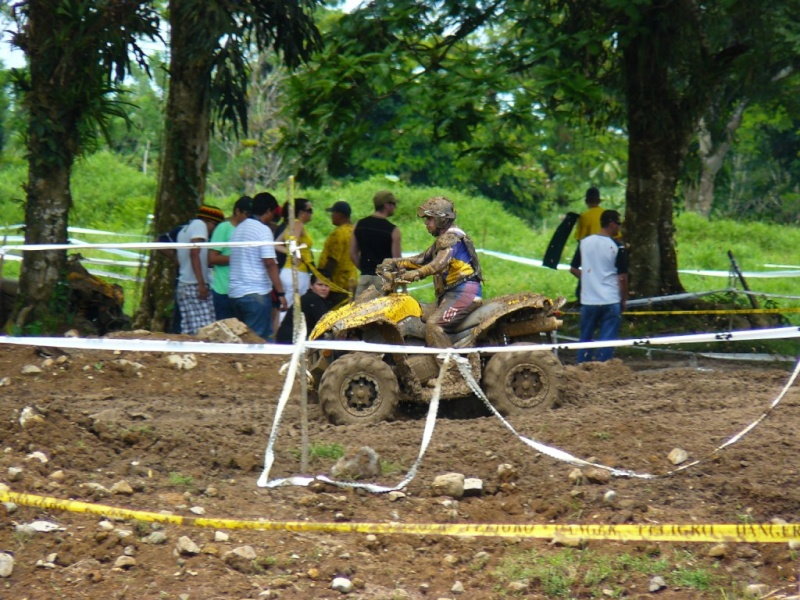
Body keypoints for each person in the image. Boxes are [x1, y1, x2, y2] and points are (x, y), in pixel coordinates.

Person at [383, 196, 482, 348]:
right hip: (449, 295)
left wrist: (416, 274)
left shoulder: (452, 238)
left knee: (434, 325)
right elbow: (421, 260)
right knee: (417, 313)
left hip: (464, 293)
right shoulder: (443, 240)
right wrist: (394, 263)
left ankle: (452, 369)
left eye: (429, 219)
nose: (426, 223)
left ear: (441, 220)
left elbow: (437, 265)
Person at [569, 209, 628, 363]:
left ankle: (582, 368)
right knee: (607, 342)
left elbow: (573, 268)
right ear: (611, 223)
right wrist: (624, 299)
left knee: (585, 339)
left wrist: (588, 278)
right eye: (618, 223)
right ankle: (604, 370)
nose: (619, 227)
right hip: (610, 299)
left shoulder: (584, 243)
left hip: (589, 301)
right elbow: (622, 277)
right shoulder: (618, 247)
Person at [228, 192, 287, 341]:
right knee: (258, 341)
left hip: (235, 293)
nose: (273, 218)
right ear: (268, 211)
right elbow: (270, 263)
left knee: (242, 339)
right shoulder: (262, 230)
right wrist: (280, 293)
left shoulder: (239, 229)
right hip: (255, 293)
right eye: (273, 213)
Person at [175, 205, 225, 335]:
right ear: (211, 222)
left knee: (189, 330)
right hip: (194, 285)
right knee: (205, 330)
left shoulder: (185, 229)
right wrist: (201, 284)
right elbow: (194, 253)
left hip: (184, 283)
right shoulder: (200, 226)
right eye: (215, 226)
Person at [208, 195, 252, 320]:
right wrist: (237, 258)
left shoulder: (249, 229)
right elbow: (212, 258)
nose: (248, 218)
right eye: (246, 214)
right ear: (237, 211)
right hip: (223, 289)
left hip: (242, 290)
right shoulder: (224, 228)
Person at [351, 190, 402, 297]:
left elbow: (353, 254)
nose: (395, 207)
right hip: (383, 281)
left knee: (359, 312)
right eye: (393, 204)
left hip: (364, 278)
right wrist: (403, 286)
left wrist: (365, 269)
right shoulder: (393, 230)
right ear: (386, 205)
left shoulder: (359, 225)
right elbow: (397, 261)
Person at [275, 197, 315, 319]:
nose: (311, 213)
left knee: (288, 307)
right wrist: (298, 258)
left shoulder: (291, 225)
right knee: (292, 309)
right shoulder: (298, 224)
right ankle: (286, 336)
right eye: (310, 210)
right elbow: (294, 243)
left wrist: (289, 253)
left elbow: (277, 243)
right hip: (297, 271)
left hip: (289, 270)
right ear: (302, 212)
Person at [318, 200, 357, 307]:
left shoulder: (339, 233)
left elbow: (332, 260)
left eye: (333, 213)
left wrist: (322, 281)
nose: (331, 216)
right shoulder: (355, 231)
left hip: (336, 284)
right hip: (351, 282)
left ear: (339, 215)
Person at [275, 274, 331, 344]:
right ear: (311, 285)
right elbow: (326, 323)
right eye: (320, 285)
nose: (323, 288)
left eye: (327, 285)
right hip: (291, 341)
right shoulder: (312, 299)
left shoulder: (315, 299)